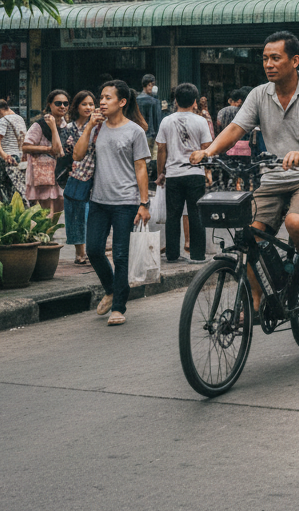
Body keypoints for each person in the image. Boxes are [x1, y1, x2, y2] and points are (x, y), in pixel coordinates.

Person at [190, 31, 299, 316]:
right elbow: (234, 129)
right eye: (265, 58)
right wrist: (210, 151)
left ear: (294, 61)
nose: (268, 64)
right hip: (274, 176)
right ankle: (258, 296)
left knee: (295, 222)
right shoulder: (259, 94)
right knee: (247, 236)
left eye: (275, 58)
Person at [75, 79, 151, 326]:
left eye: (108, 98)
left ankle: (118, 307)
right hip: (98, 200)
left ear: (122, 102)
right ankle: (110, 289)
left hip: (126, 202)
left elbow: (141, 168)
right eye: (102, 97)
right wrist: (88, 127)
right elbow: (77, 155)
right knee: (94, 250)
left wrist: (144, 203)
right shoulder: (96, 128)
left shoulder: (135, 131)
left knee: (120, 255)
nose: (102, 102)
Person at [156, 83, 212, 264]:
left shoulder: (166, 121)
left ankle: (172, 255)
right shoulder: (201, 121)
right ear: (195, 102)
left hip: (173, 174)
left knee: (173, 216)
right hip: (195, 174)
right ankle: (198, 255)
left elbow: (161, 150)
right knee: (196, 214)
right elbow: (206, 149)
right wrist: (207, 171)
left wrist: (160, 173)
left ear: (175, 100)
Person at [60, 90, 95, 264]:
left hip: (96, 174)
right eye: (84, 104)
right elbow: (64, 152)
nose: (88, 107)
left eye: (91, 104)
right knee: (76, 213)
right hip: (76, 175)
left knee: (92, 214)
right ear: (77, 106)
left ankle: (92, 249)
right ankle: (79, 252)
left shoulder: (98, 126)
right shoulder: (68, 128)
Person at [22, 90, 67, 215]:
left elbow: (60, 150)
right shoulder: (39, 125)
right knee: (46, 211)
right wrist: (48, 150)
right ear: (50, 105)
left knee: (58, 208)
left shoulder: (65, 125)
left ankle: (48, 233)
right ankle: (44, 234)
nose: (62, 106)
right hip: (42, 173)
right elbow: (25, 147)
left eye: (65, 103)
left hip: (58, 172)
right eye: (58, 103)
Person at [0, 99, 27, 205]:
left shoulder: (4, 120)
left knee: (16, 183)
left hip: (9, 156)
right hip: (20, 155)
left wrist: (3, 154)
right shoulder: (20, 119)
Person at [138, 74, 161, 156]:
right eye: (149, 85)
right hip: (150, 133)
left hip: (143, 133)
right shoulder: (152, 101)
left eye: (153, 85)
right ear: (145, 85)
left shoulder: (138, 99)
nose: (151, 88)